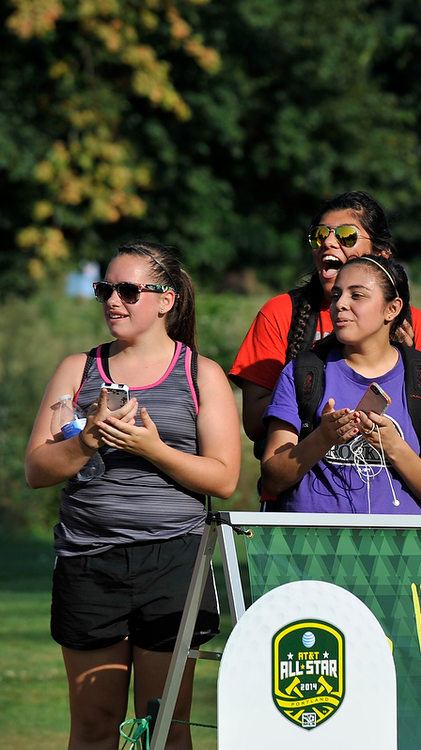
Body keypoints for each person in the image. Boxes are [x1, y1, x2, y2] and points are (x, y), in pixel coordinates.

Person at [25, 241, 241, 749]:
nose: (112, 302)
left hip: (174, 562)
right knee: (96, 726)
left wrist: (153, 449)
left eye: (127, 291)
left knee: (164, 728)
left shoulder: (200, 374)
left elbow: (224, 478)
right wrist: (88, 440)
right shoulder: (76, 370)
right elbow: (37, 469)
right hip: (88, 561)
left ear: (166, 300)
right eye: (105, 290)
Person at [229, 190, 421, 446]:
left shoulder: (412, 323)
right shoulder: (280, 312)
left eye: (346, 235)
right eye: (319, 235)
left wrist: (402, 365)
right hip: (300, 480)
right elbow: (254, 423)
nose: (328, 243)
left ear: (381, 254)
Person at [260, 256, 421, 513]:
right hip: (310, 547)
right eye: (336, 295)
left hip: (394, 550)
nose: (340, 305)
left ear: (392, 309)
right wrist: (322, 438)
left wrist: (393, 445)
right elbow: (272, 479)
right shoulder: (301, 372)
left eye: (357, 296)